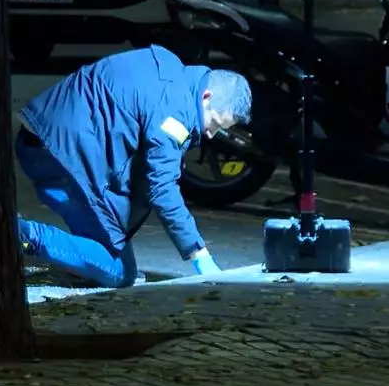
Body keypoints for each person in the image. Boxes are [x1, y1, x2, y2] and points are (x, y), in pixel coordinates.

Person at [15, 45, 252, 288]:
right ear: (206, 97)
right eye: (215, 123)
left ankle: (75, 256)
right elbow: (162, 188)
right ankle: (23, 234)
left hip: (46, 133)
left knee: (109, 233)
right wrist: (198, 254)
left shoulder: (171, 71)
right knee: (119, 271)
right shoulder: (175, 113)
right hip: (60, 156)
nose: (211, 134)